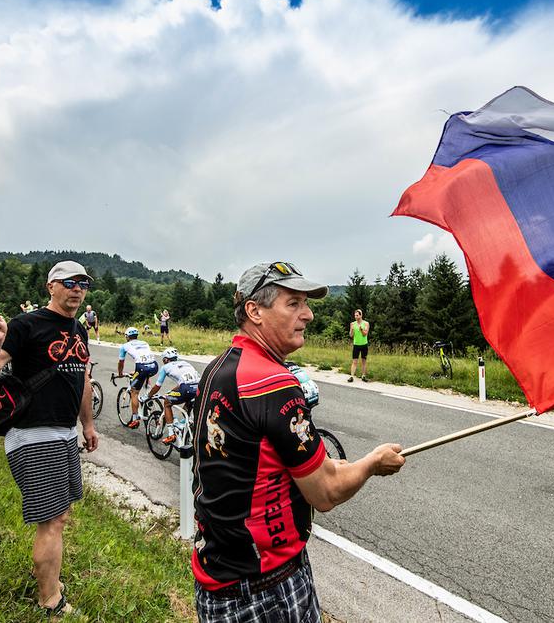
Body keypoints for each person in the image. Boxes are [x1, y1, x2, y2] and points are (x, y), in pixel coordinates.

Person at [191, 261, 405, 621]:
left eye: (306, 303)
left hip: (219, 573)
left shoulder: (218, 367)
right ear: (254, 311)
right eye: (294, 304)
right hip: (266, 584)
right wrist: (371, 464)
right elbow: (325, 494)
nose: (307, 315)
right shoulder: (274, 382)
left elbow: (262, 462)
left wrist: (331, 465)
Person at [0, 260, 98, 618]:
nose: (78, 288)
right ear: (51, 287)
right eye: (70, 282)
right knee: (53, 520)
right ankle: (50, 600)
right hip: (32, 433)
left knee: (62, 511)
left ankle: (48, 577)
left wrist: (87, 425)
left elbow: (82, 379)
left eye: (84, 283)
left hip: (63, 433)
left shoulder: (80, 330)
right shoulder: (25, 325)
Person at [145, 347, 198, 444]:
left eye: (163, 359)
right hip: (198, 388)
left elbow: (157, 386)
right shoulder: (186, 363)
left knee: (167, 403)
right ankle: (185, 425)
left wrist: (149, 395)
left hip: (186, 389)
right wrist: (170, 391)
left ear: (166, 359)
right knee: (188, 403)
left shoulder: (165, 367)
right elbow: (184, 383)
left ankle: (171, 434)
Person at [117, 327, 159, 429]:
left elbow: (121, 362)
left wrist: (120, 373)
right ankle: (149, 392)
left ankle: (135, 419)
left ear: (127, 336)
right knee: (144, 375)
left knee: (134, 392)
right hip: (154, 366)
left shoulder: (125, 346)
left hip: (141, 368)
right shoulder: (144, 343)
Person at [347, 308, 370, 382]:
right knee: (354, 361)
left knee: (364, 361)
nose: (355, 317)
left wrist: (361, 329)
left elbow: (365, 334)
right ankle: (351, 376)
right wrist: (351, 329)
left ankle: (363, 376)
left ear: (361, 315)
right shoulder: (353, 324)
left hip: (364, 345)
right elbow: (351, 335)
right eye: (355, 315)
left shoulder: (366, 323)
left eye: (357, 315)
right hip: (356, 345)